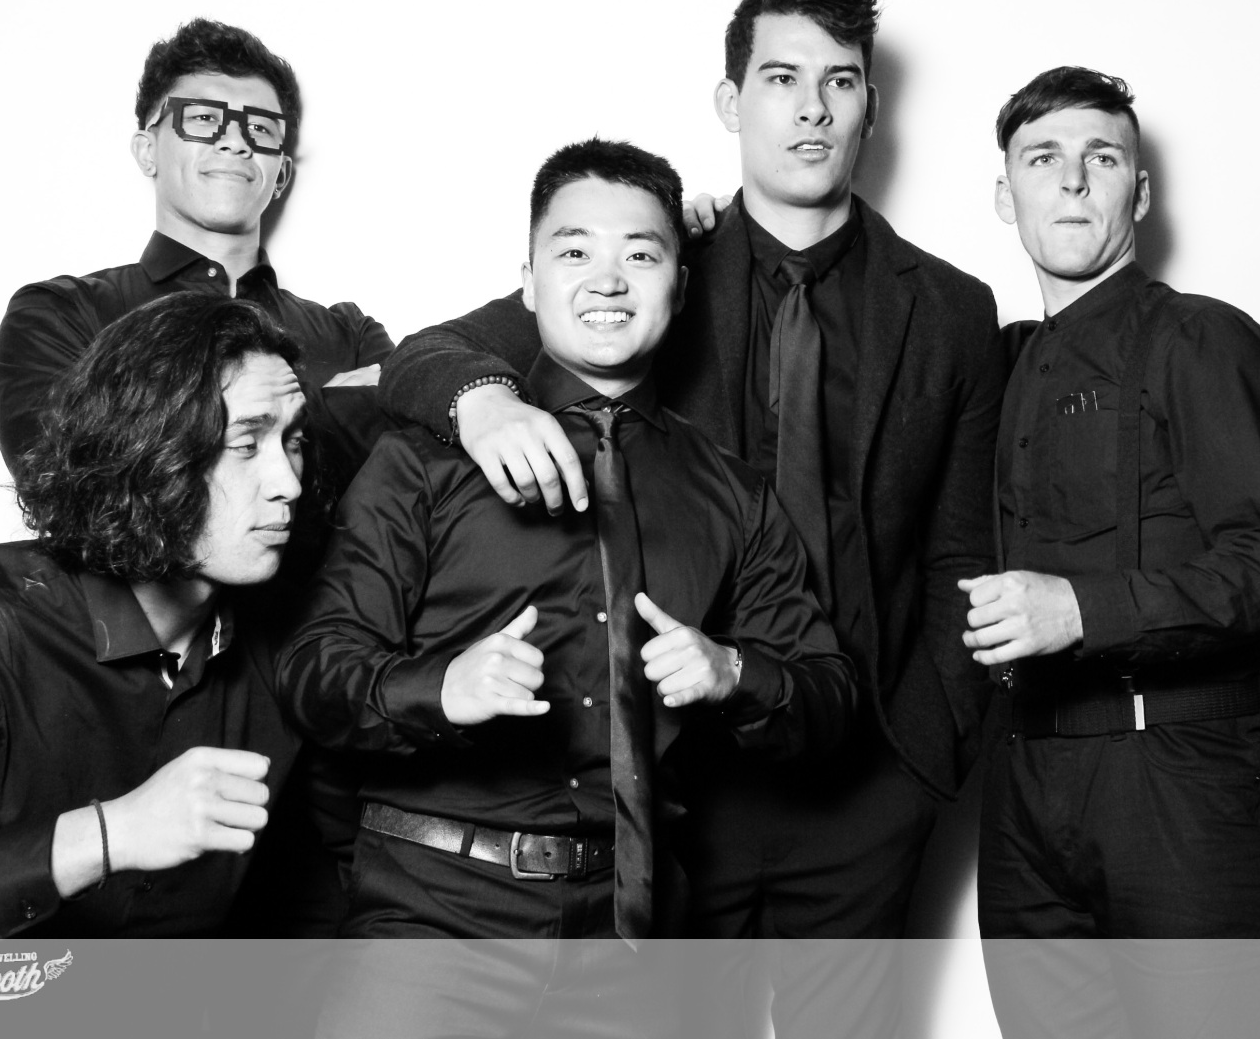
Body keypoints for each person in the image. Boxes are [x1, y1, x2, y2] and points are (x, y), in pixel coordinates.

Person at [376, 0, 1003, 1034]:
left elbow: (959, 547)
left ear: (869, 106)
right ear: (730, 101)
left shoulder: (949, 308)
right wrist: (482, 401)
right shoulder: (655, 261)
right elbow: (430, 352)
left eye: (840, 82)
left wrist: (924, 757)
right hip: (676, 787)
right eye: (782, 78)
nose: (812, 108)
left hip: (865, 779)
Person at [278, 138, 856, 1039]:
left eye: (641, 254)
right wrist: (439, 688)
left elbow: (830, 696)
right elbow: (312, 668)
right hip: (432, 925)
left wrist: (733, 671)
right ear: (529, 280)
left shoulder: (732, 493)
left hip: (634, 946)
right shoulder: (425, 457)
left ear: (681, 285)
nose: (608, 280)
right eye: (575, 250)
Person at [964, 66, 1260, 1037]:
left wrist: (1081, 610)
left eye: (1101, 158)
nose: (1071, 180)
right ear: (1005, 195)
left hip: (1175, 778)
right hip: (1022, 788)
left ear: (1140, 192)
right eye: (1042, 159)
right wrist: (714, 239)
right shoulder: (998, 363)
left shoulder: (1205, 340)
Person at [0, 292, 316, 937]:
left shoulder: (295, 645)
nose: (288, 482)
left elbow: (319, 894)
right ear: (147, 450)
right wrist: (105, 835)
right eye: (247, 443)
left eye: (294, 441)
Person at [0, 17, 392, 488]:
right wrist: (325, 411)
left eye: (260, 128)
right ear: (147, 152)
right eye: (203, 119)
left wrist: (163, 427)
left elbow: (408, 480)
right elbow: (66, 482)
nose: (235, 141)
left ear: (281, 174)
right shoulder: (61, 315)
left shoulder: (351, 336)